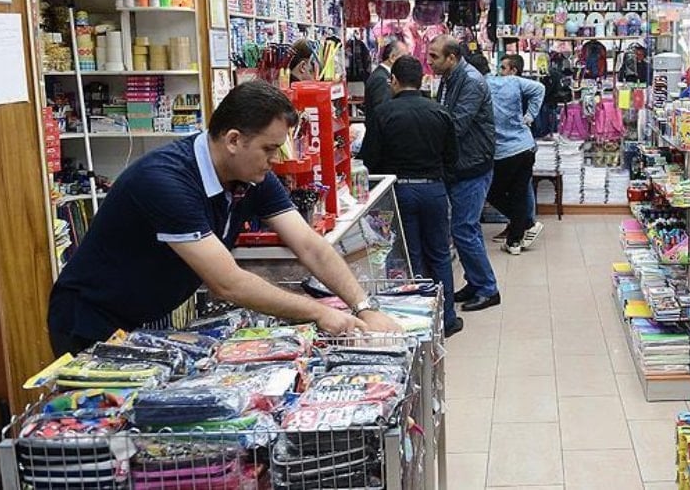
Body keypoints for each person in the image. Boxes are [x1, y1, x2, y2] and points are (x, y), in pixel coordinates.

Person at [47, 81, 402, 356]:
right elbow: (228, 283)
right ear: (233, 140)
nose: (275, 160)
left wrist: (364, 307)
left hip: (143, 316)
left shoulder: (251, 176)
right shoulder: (165, 181)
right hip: (89, 320)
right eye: (269, 148)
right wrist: (320, 313)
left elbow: (311, 246)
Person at [360, 56, 463, 337]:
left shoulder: (383, 113)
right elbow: (453, 158)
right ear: (422, 80)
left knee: (409, 256)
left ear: (393, 80)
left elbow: (370, 158)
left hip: (400, 190)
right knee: (440, 254)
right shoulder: (440, 112)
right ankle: (447, 318)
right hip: (434, 190)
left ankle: (420, 323)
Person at [428, 34, 500, 312]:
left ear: (452, 57)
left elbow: (456, 125)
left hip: (472, 166)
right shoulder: (449, 78)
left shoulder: (471, 82)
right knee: (466, 229)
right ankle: (476, 281)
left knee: (463, 229)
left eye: (434, 56)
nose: (429, 61)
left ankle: (488, 289)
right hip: (461, 165)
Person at [485, 55, 545, 255]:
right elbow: (539, 88)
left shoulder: (483, 86)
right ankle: (514, 242)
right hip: (524, 145)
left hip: (505, 151)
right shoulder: (515, 83)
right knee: (519, 193)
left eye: (503, 67)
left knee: (494, 192)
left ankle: (526, 223)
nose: (500, 71)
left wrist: (529, 116)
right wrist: (529, 116)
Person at [364, 41, 403, 116]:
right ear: (393, 57)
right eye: (405, 57)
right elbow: (383, 111)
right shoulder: (381, 79)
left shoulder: (384, 75)